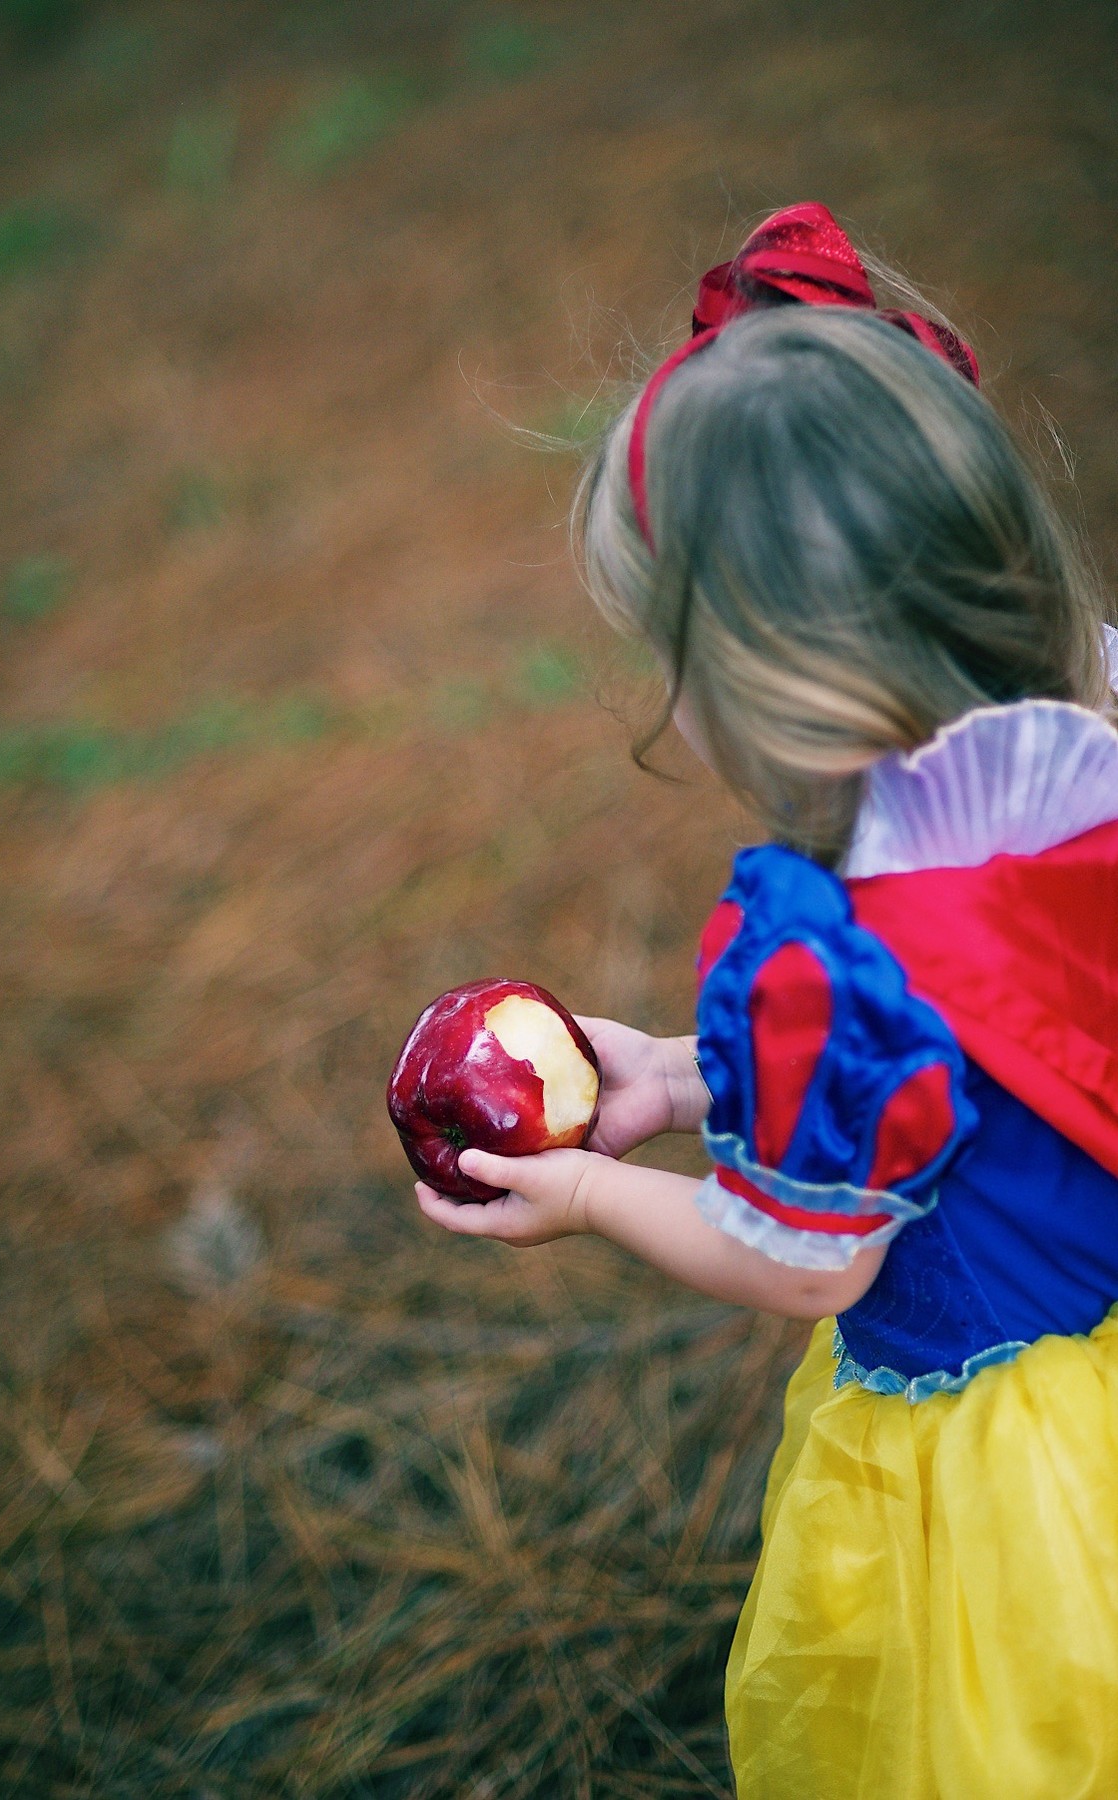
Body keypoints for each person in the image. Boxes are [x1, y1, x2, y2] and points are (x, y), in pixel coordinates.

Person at [414, 202, 1118, 1798]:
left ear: (769, 687)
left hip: (1006, 1475)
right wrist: (669, 1078)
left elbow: (808, 1261)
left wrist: (595, 1184)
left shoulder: (831, 963)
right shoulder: (1070, 773)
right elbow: (958, 1080)